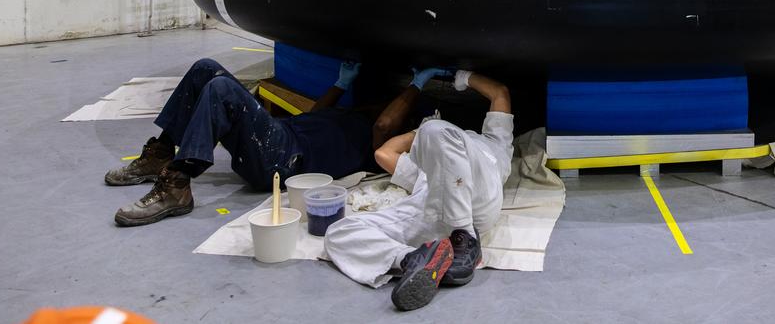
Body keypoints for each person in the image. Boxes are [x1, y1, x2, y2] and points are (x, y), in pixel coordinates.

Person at [324, 68, 513, 312]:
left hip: (475, 203)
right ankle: (411, 259)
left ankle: (465, 239)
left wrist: (463, 76)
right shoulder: (425, 163)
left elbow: (500, 93)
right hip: (428, 210)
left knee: (435, 131)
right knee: (338, 232)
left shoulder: (495, 141)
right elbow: (383, 153)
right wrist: (422, 139)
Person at [107, 57, 369, 227]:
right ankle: (160, 155)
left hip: (283, 161)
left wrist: (412, 91)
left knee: (222, 89)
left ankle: (177, 184)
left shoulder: (380, 133)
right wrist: (341, 84)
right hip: (282, 135)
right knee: (205, 69)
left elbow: (385, 124)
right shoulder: (352, 113)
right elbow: (314, 116)